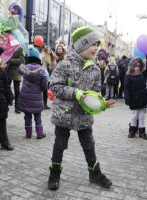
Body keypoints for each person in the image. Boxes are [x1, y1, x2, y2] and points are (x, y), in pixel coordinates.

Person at [47, 26, 115, 190]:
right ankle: (54, 173)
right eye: (93, 45)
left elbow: (96, 93)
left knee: (89, 145)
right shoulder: (64, 65)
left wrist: (101, 104)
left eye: (97, 45)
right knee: (60, 144)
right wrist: (76, 93)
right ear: (82, 45)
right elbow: (54, 86)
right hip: (65, 113)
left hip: (84, 115)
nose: (96, 48)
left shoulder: (95, 69)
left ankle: (95, 173)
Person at [18, 47, 48, 139]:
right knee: (37, 116)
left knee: (27, 115)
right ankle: (39, 133)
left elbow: (19, 70)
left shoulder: (25, 68)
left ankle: (28, 133)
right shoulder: (41, 70)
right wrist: (43, 89)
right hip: (36, 97)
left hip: (25, 95)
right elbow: (44, 86)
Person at [124, 57, 147, 140]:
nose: (137, 68)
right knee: (134, 115)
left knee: (142, 116)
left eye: (139, 66)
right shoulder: (128, 76)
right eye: (136, 66)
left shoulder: (141, 75)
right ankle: (132, 130)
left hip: (142, 99)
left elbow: (144, 88)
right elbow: (126, 88)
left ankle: (142, 131)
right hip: (134, 99)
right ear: (132, 67)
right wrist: (127, 98)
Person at [6, 46, 25, 114]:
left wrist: (11, 60)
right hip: (8, 71)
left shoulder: (20, 48)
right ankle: (7, 104)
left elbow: (21, 60)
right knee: (7, 89)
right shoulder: (8, 47)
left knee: (17, 90)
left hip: (16, 72)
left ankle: (17, 107)